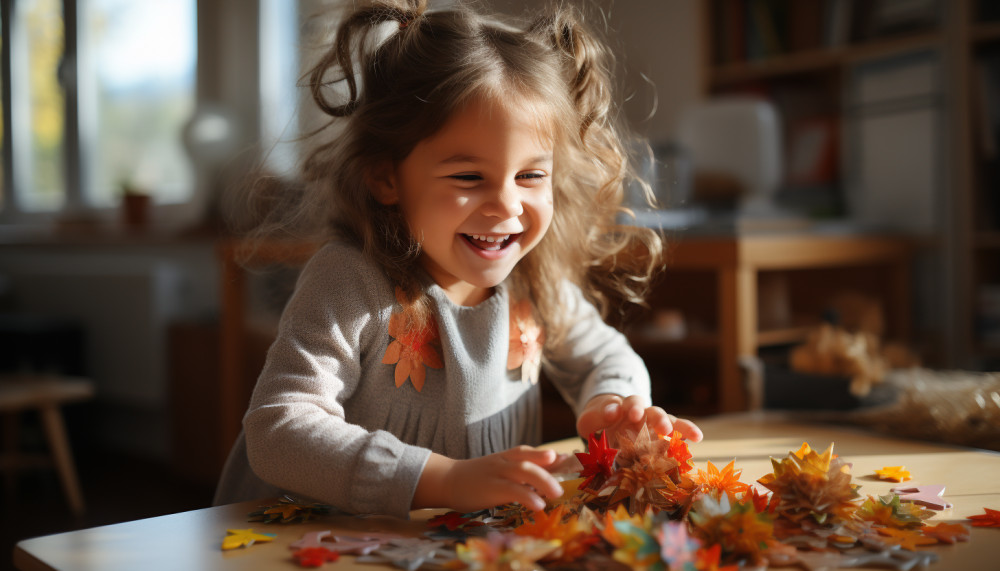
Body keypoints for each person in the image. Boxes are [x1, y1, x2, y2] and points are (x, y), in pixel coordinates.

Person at [214, 0, 702, 519]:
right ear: (386, 178)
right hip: (301, 539)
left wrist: (611, 406)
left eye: (531, 176)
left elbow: (607, 357)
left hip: (447, 542)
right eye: (469, 178)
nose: (508, 206)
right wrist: (444, 480)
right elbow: (278, 429)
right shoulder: (350, 281)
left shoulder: (534, 279)